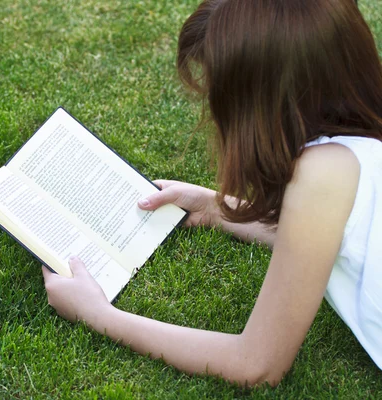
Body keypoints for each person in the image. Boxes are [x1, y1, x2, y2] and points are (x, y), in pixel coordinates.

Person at [41, 0, 382, 387]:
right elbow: (333, 237)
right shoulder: (358, 146)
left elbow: (256, 364)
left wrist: (99, 315)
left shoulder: (323, 172)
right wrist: (214, 208)